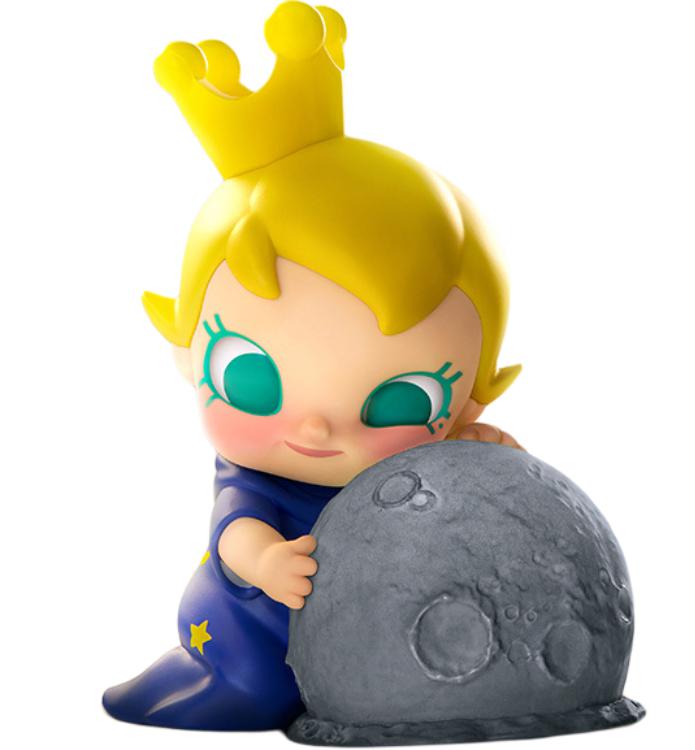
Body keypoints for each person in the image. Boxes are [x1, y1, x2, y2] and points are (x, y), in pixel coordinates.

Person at [103, 1, 522, 731]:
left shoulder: (421, 463)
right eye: (252, 378)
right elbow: (236, 534)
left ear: (467, 403)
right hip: (253, 624)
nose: (318, 427)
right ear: (187, 353)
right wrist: (268, 562)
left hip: (378, 634)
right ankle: (207, 677)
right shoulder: (257, 479)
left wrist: (475, 454)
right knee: (262, 687)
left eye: (402, 401)